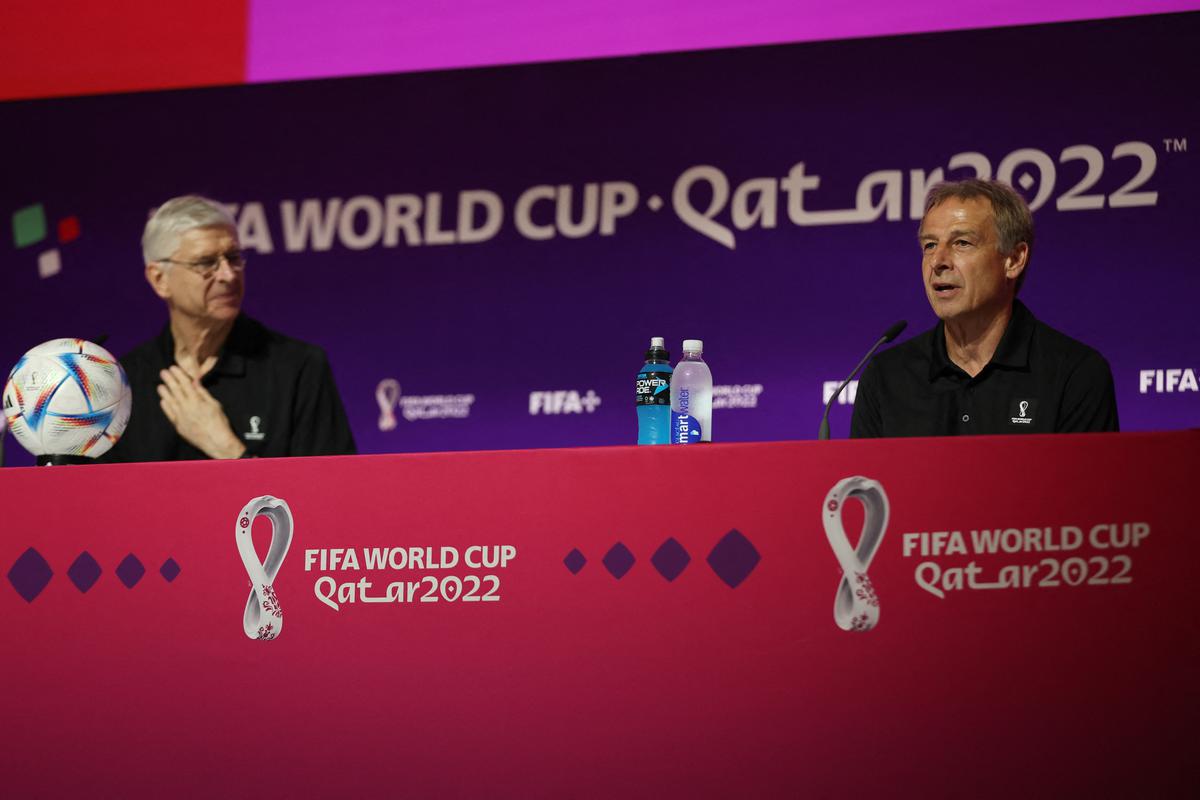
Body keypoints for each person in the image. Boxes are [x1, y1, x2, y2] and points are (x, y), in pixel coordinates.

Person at [850, 179, 1118, 438]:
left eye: (962, 243)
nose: (938, 261)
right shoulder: (886, 378)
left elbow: (1085, 484)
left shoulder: (1075, 374)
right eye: (929, 245)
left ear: (1013, 259)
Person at [101, 195, 356, 462]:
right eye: (206, 263)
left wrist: (228, 449)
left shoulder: (299, 368)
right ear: (159, 279)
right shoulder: (124, 382)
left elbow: (329, 495)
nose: (229, 274)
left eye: (233, 257)